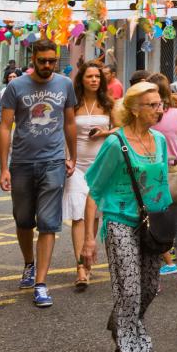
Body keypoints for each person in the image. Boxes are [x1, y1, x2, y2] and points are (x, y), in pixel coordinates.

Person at [81, 82, 171, 352]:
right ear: (134, 109)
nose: (160, 109)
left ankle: (119, 323)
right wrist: (89, 241)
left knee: (148, 290)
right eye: (153, 105)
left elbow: (162, 185)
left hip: (152, 224)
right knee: (130, 292)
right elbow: (95, 189)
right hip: (120, 221)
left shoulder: (159, 140)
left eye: (160, 104)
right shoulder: (114, 143)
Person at [0, 40, 77, 308]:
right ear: (33, 59)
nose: (47, 66)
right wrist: (3, 167)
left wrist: (72, 155)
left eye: (51, 61)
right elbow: (6, 127)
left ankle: (41, 283)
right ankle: (29, 264)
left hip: (53, 162)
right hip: (21, 162)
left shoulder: (65, 84)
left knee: (48, 222)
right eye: (42, 61)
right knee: (23, 220)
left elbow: (69, 122)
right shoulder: (16, 86)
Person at [64, 61, 114, 290]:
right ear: (81, 80)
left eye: (97, 77)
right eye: (89, 76)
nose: (94, 80)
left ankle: (88, 254)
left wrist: (107, 131)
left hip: (101, 166)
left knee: (93, 216)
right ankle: (80, 268)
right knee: (78, 214)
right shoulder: (72, 103)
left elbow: (124, 128)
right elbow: (61, 128)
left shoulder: (108, 104)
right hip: (75, 165)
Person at [147, 72, 177, 287]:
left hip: (151, 174)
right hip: (176, 173)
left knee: (153, 226)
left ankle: (153, 277)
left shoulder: (145, 117)